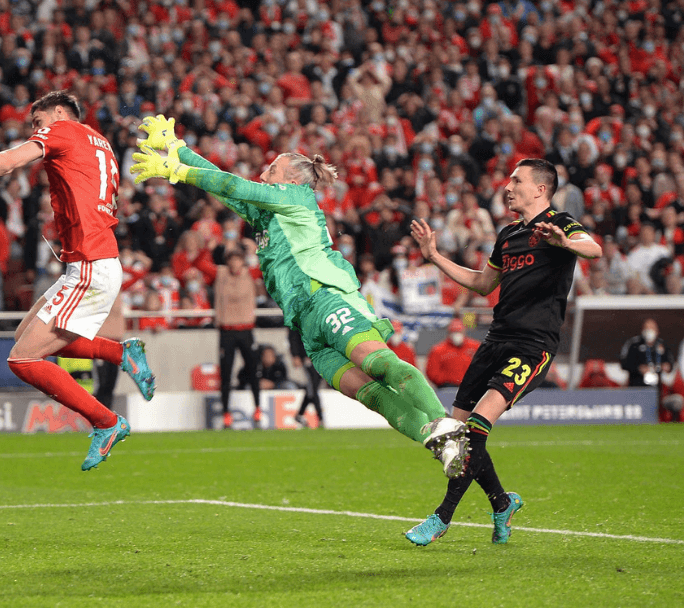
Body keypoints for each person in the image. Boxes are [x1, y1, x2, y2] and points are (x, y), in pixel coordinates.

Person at [131, 114, 470, 479]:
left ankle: (443, 421)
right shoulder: (267, 215)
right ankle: (440, 442)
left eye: (271, 168)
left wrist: (175, 170)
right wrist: (178, 150)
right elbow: (223, 188)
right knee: (370, 395)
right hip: (306, 324)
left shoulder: (296, 196)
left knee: (378, 364)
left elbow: (234, 184)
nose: (263, 173)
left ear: (291, 179)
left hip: (325, 298)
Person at [0, 90, 156, 471]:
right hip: (92, 261)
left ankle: (106, 421)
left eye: (37, 123)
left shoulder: (64, 131)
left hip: (90, 264)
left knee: (22, 360)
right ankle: (121, 353)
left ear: (58, 113)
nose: (35, 132)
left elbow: (6, 163)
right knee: (25, 335)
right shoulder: (100, 141)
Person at [407, 158, 601, 546]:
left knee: (477, 427)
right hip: (496, 340)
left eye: (517, 180)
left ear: (540, 189)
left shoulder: (559, 224)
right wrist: (434, 257)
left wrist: (565, 243)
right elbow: (482, 283)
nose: (508, 186)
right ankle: (501, 503)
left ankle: (441, 518)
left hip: (533, 346)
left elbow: (592, 248)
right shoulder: (508, 234)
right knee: (454, 438)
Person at [213, 248, 261, 429]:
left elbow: (267, 264)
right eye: (231, 260)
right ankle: (226, 412)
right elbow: (201, 265)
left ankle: (257, 408)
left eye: (237, 260)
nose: (234, 264)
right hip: (226, 331)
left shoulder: (250, 274)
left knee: (253, 370)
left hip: (246, 330)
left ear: (243, 261)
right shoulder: (220, 275)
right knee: (226, 373)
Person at [425, 318, 481, 389]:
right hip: (447, 388)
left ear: (464, 332)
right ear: (449, 333)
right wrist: (445, 382)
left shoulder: (475, 346)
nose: (457, 335)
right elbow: (432, 371)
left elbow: (483, 365)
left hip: (471, 387)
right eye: (454, 332)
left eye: (459, 332)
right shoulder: (438, 350)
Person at [619, 318, 674, 388]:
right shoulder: (633, 344)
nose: (650, 330)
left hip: (656, 386)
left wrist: (666, 367)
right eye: (647, 328)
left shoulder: (662, 344)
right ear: (642, 330)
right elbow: (624, 363)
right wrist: (639, 368)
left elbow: (670, 363)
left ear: (657, 331)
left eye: (652, 328)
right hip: (636, 385)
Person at [288, 326, 324, 429]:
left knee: (312, 389)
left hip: (320, 356)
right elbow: (293, 336)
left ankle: (299, 415)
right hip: (307, 356)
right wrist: (295, 355)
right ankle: (321, 419)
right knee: (313, 387)